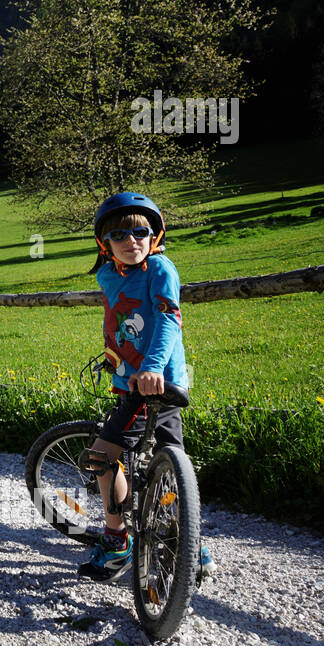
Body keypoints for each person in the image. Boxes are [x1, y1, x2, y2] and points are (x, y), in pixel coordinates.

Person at [79, 192, 216, 583]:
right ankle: (191, 543)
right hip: (132, 381)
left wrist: (151, 368)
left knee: (101, 456)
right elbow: (120, 321)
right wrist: (114, 359)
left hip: (156, 382)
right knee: (169, 460)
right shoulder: (108, 274)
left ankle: (116, 540)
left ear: (155, 235)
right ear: (104, 244)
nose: (131, 240)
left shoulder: (160, 268)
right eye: (119, 234)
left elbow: (168, 320)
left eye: (141, 231)